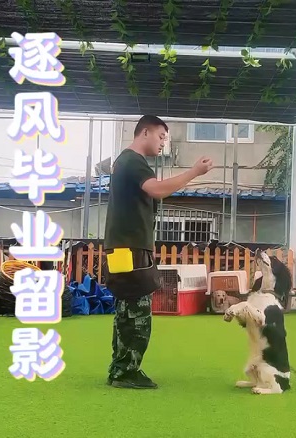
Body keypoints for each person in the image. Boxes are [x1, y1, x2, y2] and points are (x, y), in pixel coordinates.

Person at [103, 115, 213, 389]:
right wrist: (193, 172)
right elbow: (157, 190)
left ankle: (121, 368)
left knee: (126, 310)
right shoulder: (133, 161)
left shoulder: (124, 162)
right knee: (137, 312)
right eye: (161, 136)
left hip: (123, 248)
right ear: (145, 133)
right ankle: (126, 372)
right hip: (130, 249)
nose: (164, 142)